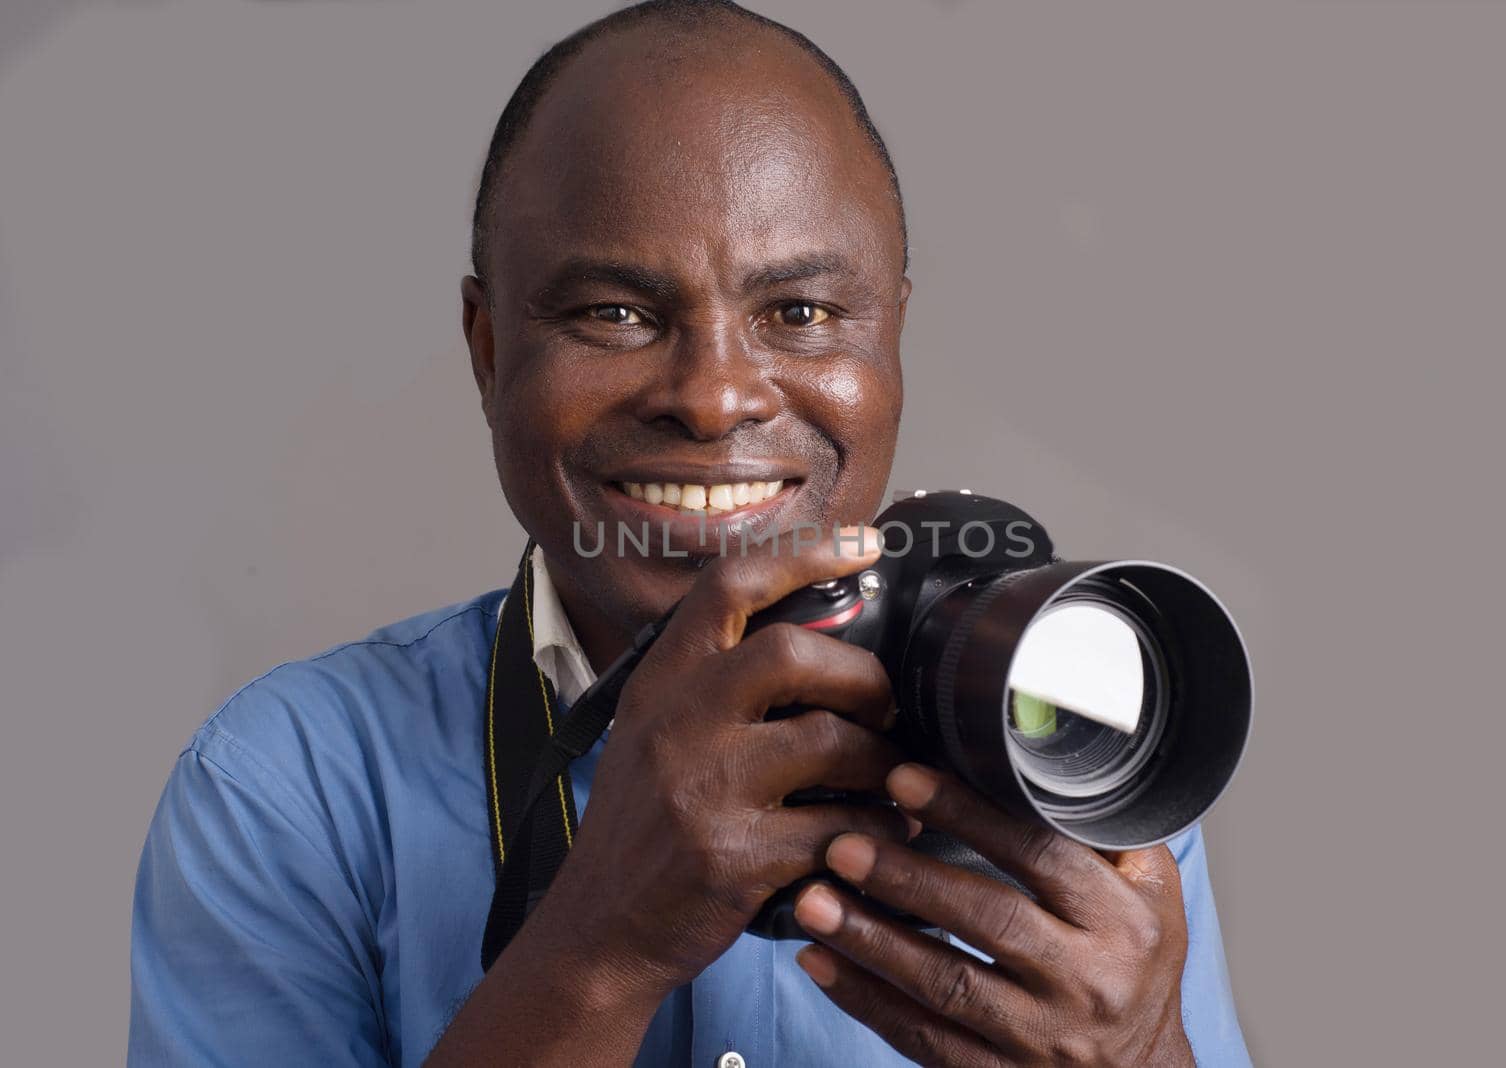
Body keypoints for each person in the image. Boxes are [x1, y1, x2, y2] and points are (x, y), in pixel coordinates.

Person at [129, 2, 1251, 1064]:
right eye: (613, 313)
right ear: (485, 349)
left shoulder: (1069, 742)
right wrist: (603, 945)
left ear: (891, 336)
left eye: (800, 314)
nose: (714, 397)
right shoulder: (288, 791)